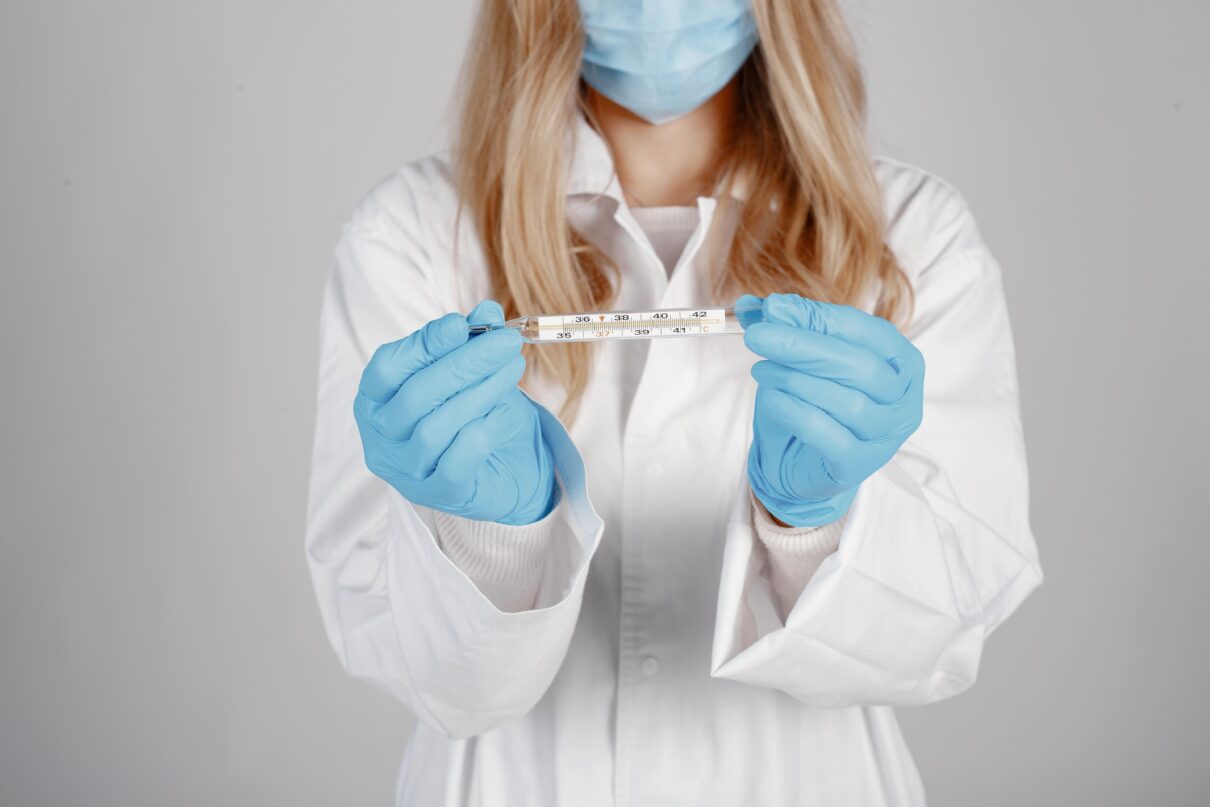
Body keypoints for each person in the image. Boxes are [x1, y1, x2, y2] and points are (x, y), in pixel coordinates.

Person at [305, 0, 1043, 804]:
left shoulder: (913, 235)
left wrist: (812, 527)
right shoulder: (410, 236)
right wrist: (492, 541)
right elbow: (422, 670)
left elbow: (939, 640)